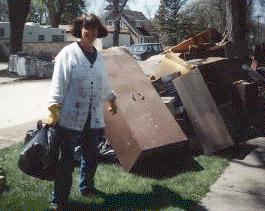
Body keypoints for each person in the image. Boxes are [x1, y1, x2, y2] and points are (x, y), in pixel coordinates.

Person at [46, 13, 117, 209]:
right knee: (66, 161)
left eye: (94, 29)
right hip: (69, 116)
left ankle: (87, 187)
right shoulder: (68, 53)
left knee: (91, 156)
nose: (91, 32)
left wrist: (111, 99)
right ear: (80, 29)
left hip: (92, 118)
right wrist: (54, 108)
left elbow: (104, 83)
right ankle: (58, 199)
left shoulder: (98, 56)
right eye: (87, 28)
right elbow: (58, 83)